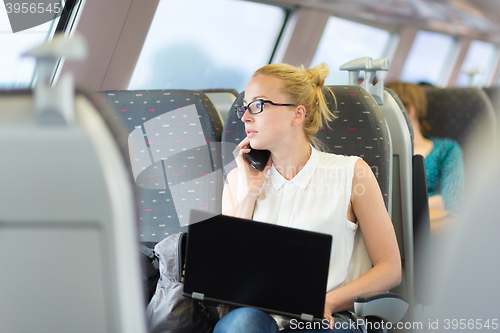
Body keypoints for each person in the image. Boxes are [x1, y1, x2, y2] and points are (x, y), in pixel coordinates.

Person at [217, 63, 401, 332]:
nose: (245, 117)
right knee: (242, 324)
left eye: (257, 105)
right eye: (244, 107)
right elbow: (226, 275)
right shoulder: (238, 179)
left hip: (327, 319)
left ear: (297, 114)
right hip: (258, 320)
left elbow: (390, 268)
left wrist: (328, 302)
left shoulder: (351, 173)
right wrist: (250, 192)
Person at [385, 82, 465, 234]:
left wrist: (399, 212)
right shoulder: (381, 152)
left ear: (408, 111)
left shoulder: (447, 149)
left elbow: (451, 201)